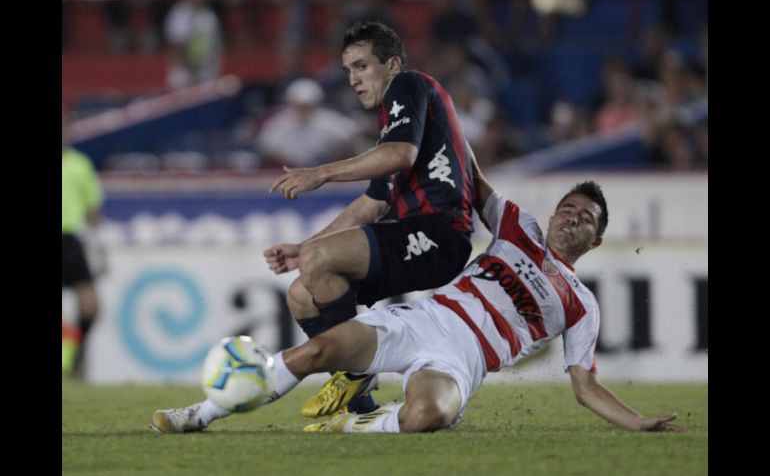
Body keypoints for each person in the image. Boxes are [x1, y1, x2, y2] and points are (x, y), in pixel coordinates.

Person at [150, 176, 685, 434]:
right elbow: (471, 176)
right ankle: (201, 414)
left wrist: (637, 422)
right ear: (552, 215)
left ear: (595, 241)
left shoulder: (581, 304)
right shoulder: (517, 226)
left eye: (585, 219)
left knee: (426, 415)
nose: (572, 218)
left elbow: (585, 387)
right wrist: (436, 106)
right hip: (425, 318)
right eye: (568, 208)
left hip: (463, 360)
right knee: (316, 351)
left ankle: (354, 424)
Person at [263, 21, 476, 418]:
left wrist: (320, 173)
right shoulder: (393, 128)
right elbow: (373, 204)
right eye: (348, 70)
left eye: (362, 66)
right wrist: (305, 248)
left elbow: (400, 156)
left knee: (318, 263)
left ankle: (357, 371)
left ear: (392, 64)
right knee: (302, 294)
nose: (353, 79)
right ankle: (362, 412)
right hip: (416, 234)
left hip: (440, 232)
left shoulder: (408, 85)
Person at [62, 111, 105, 378]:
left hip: (70, 241)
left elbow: (92, 211)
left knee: (90, 306)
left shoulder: (80, 164)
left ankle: (72, 359)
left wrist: (100, 248)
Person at [164, 0, 223, 90]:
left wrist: (213, 71)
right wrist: (192, 75)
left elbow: (215, 47)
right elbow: (176, 47)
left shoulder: (209, 16)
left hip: (207, 77)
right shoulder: (179, 14)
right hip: (184, 79)